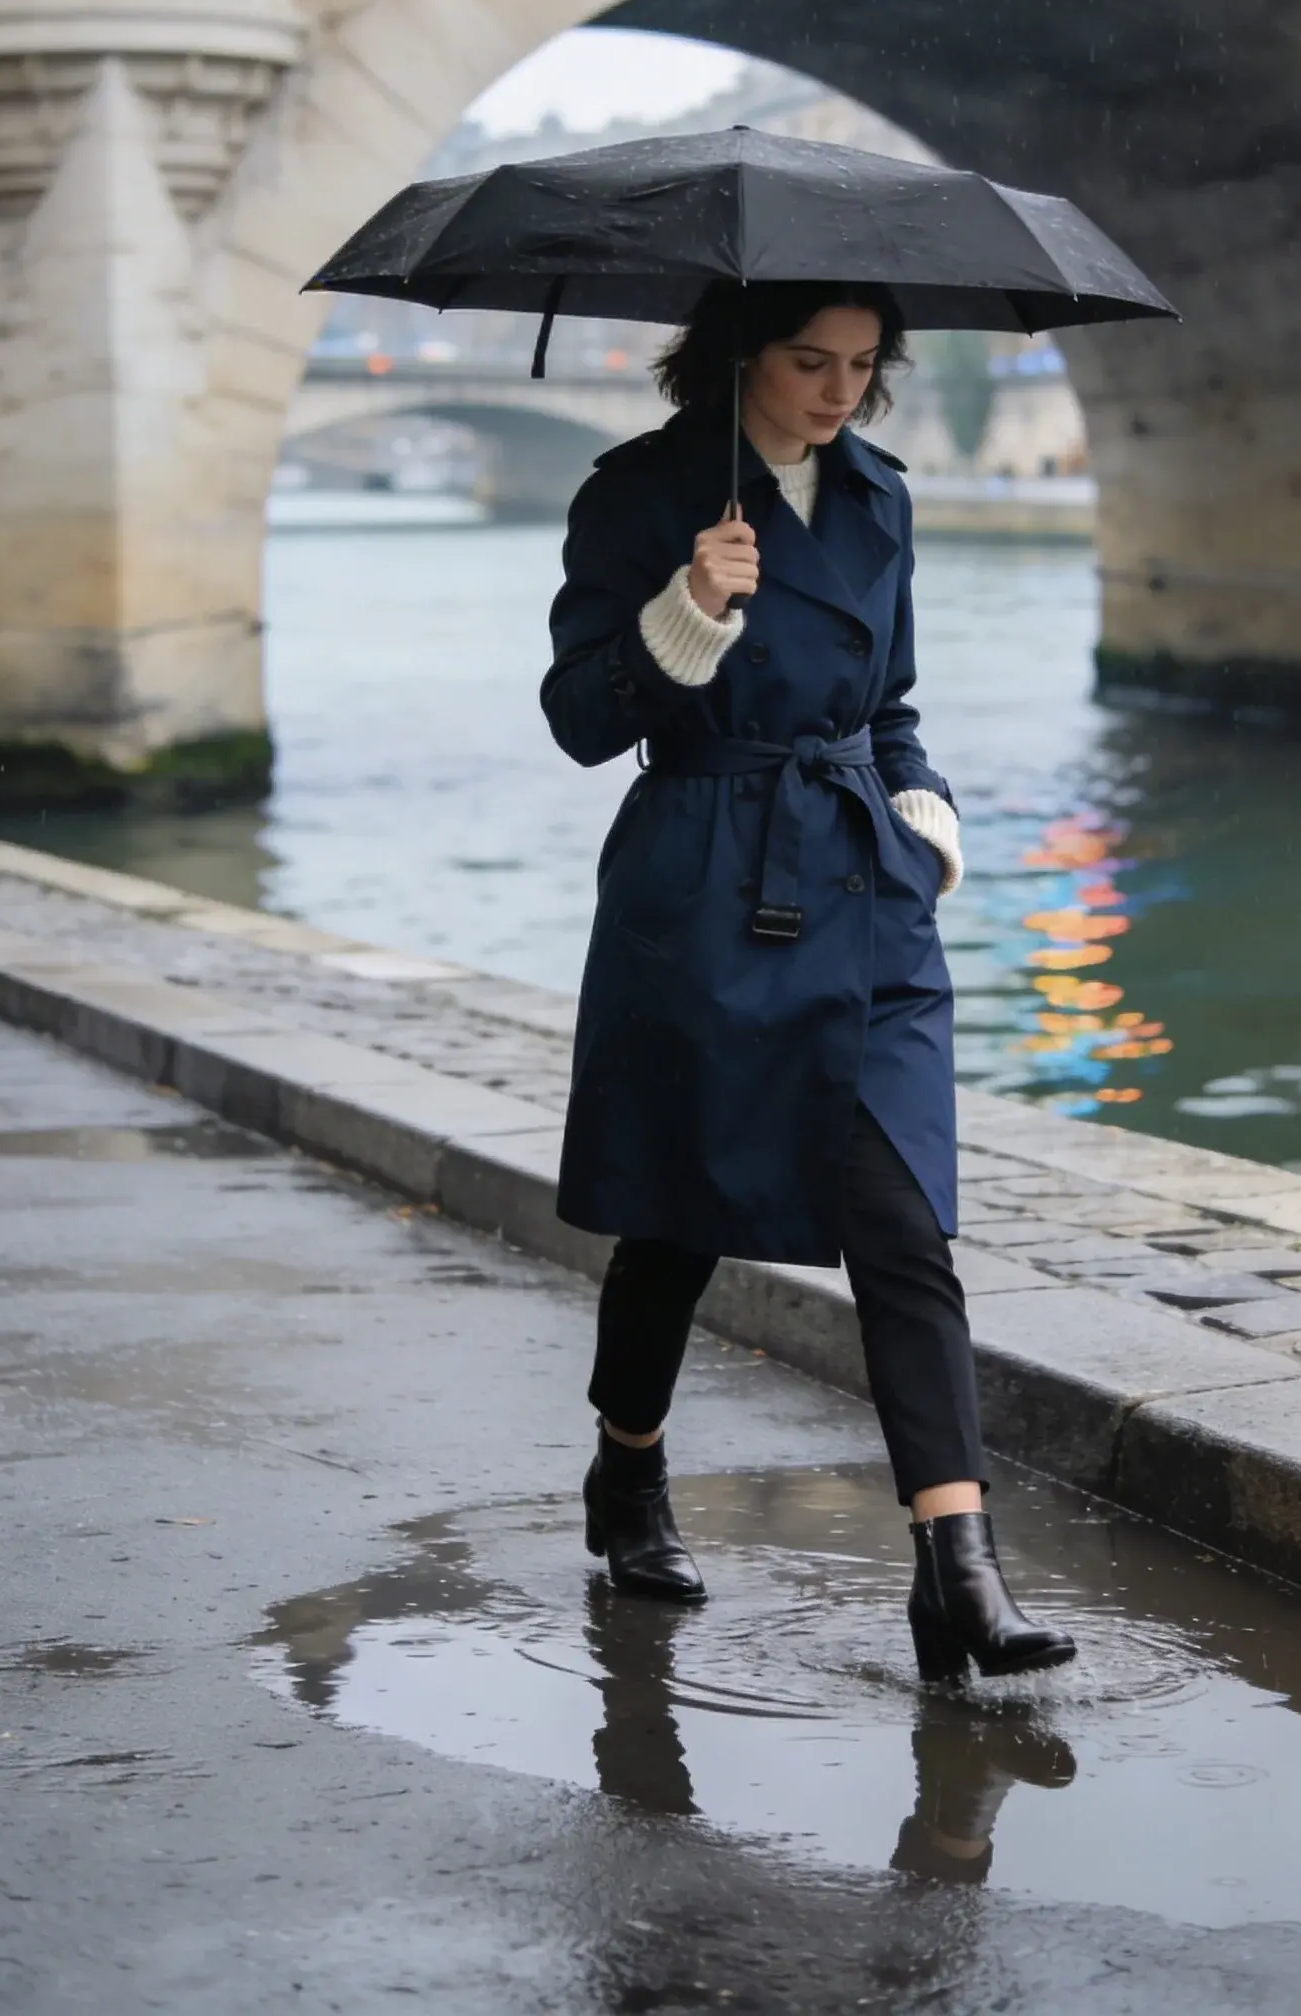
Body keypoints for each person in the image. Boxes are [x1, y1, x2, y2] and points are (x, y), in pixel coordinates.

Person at [541, 280, 1074, 1683]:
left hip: (863, 887)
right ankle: (629, 1469)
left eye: (862, 364)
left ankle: (958, 1567)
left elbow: (889, 706)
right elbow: (579, 719)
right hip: (702, 888)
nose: (840, 392)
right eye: (808, 362)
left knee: (904, 1223)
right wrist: (685, 613)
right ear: (737, 359)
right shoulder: (638, 494)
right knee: (677, 1219)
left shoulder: (879, 495)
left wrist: (926, 820)